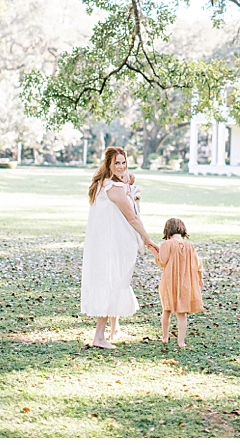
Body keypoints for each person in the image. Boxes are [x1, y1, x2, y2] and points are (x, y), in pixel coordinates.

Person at [81, 148, 157, 349]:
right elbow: (132, 216)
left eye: (124, 162)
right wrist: (147, 239)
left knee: (117, 279)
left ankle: (114, 329)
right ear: (109, 165)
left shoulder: (104, 184)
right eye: (117, 163)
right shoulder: (113, 188)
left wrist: (127, 183)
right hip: (111, 244)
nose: (122, 167)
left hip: (111, 241)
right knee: (111, 281)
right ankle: (99, 336)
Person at [148, 218, 204, 348]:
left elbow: (162, 261)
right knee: (181, 313)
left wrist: (154, 252)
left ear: (167, 230)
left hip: (169, 282)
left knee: (166, 310)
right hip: (185, 284)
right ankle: (181, 341)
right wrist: (199, 278)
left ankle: (165, 337)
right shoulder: (190, 246)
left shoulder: (167, 244)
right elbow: (198, 264)